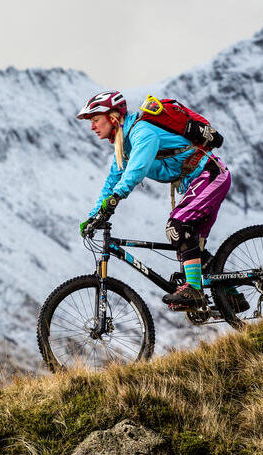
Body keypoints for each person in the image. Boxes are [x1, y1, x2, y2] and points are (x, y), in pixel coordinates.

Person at [77, 90, 232, 311]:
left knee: (177, 227)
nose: (92, 126)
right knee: (189, 246)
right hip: (200, 181)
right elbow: (111, 182)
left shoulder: (141, 132)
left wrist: (114, 200)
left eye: (95, 120)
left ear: (113, 117)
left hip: (211, 175)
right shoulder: (124, 147)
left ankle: (194, 291)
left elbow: (137, 170)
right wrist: (94, 216)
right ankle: (232, 297)